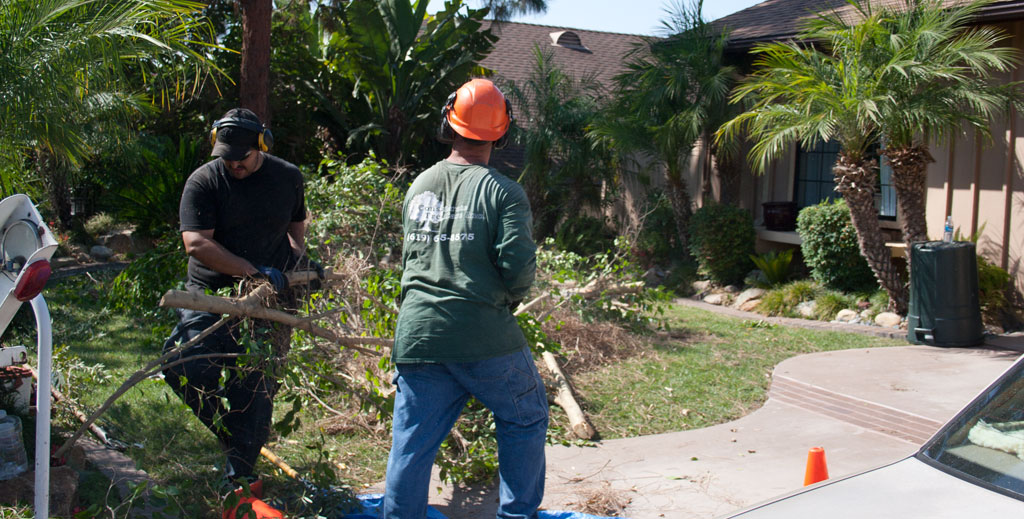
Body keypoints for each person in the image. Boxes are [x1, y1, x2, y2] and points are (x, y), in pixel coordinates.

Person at [383, 78, 548, 519]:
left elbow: (411, 262)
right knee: (525, 415)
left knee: (412, 443)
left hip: (419, 333)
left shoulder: (419, 185)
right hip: (483, 335)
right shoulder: (505, 193)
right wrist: (506, 299)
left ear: (448, 124)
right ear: (503, 133)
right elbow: (518, 269)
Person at [162, 107, 311, 518]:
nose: (233, 164)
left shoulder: (287, 177)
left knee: (257, 391)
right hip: (213, 295)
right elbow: (196, 243)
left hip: (269, 302)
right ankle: (231, 435)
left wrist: (297, 267)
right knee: (182, 366)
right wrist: (250, 272)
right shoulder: (205, 181)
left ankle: (239, 478)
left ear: (261, 145)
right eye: (227, 156)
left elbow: (297, 231)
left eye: (241, 157)